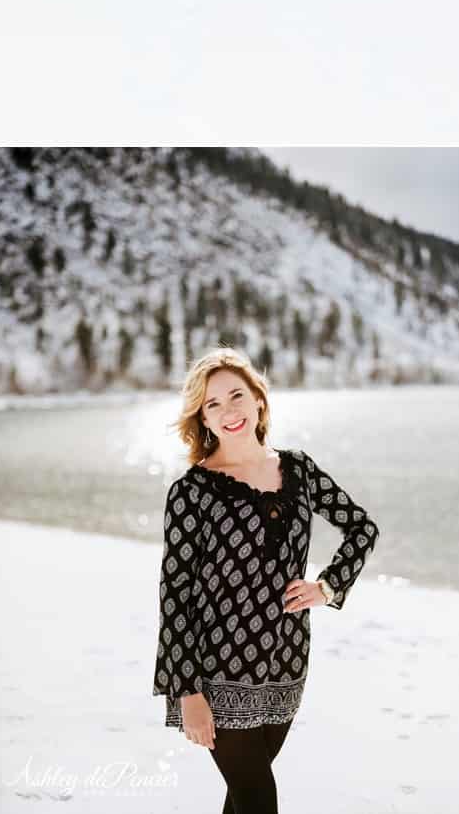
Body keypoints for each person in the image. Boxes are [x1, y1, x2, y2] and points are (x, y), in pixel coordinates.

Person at [154, 348, 379, 814]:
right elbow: (174, 595)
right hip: (215, 671)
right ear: (203, 418)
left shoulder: (300, 470)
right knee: (259, 800)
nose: (228, 410)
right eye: (212, 404)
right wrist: (187, 691)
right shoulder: (191, 492)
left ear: (259, 398)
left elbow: (361, 528)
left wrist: (328, 586)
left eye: (236, 395)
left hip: (287, 661)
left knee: (243, 799)